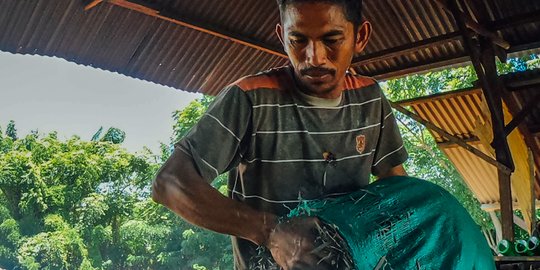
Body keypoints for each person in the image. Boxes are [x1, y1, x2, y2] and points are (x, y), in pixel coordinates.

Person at [152, 0, 408, 269]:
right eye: (298, 40)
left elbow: (395, 186)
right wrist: (270, 232)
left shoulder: (370, 99)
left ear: (361, 36)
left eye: (332, 40)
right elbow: (169, 182)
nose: (314, 57)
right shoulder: (251, 99)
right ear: (282, 37)